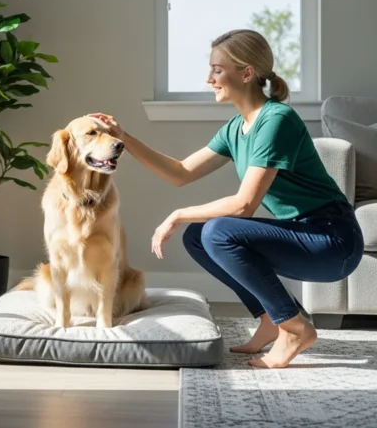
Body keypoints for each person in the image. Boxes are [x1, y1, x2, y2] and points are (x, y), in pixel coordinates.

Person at [90, 29, 364, 369]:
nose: (209, 78)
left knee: (217, 231)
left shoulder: (276, 120)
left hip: (332, 241)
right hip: (304, 233)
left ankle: (294, 327)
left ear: (246, 73)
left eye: (217, 70)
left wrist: (177, 214)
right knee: (198, 236)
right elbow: (180, 172)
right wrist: (124, 138)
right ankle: (269, 318)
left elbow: (244, 205)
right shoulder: (237, 128)